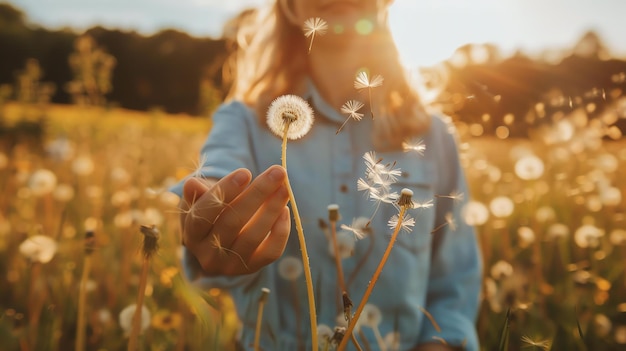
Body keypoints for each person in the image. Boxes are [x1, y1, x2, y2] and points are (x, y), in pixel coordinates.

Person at [171, 0, 482, 350]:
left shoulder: (432, 135)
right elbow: (213, 180)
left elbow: (455, 283)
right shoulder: (241, 121)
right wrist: (208, 220)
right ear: (288, 7)